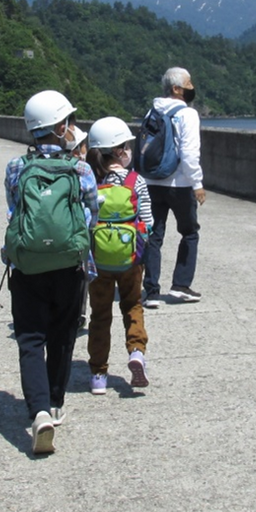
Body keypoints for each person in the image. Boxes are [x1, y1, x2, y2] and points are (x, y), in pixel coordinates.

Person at [4, 90, 98, 455]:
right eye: (69, 122)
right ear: (60, 128)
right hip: (69, 267)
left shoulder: (16, 168)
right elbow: (91, 217)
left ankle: (39, 411)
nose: (73, 128)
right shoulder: (81, 170)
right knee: (62, 334)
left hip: (27, 266)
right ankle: (56, 401)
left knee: (30, 338)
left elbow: (14, 211)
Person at [84, 117, 153, 395]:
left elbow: (86, 220)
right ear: (120, 150)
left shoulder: (90, 180)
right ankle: (136, 351)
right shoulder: (136, 181)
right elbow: (148, 222)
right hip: (130, 260)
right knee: (132, 305)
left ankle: (98, 375)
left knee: (100, 315)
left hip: (98, 261)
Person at [142, 67, 205, 307]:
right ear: (177, 89)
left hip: (151, 181)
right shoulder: (187, 114)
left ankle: (151, 292)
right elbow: (189, 153)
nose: (192, 87)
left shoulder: (151, 111)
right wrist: (197, 183)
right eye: (188, 83)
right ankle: (180, 285)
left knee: (153, 236)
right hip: (179, 183)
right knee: (189, 233)